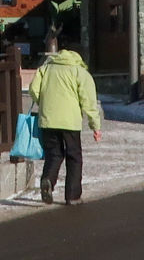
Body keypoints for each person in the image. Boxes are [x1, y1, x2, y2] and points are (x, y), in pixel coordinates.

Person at [29, 33, 102, 205]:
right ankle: (73, 196)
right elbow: (89, 102)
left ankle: (47, 179)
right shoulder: (79, 72)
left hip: (47, 120)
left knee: (54, 154)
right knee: (74, 156)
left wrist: (43, 103)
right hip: (70, 122)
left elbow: (33, 89)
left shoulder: (46, 68)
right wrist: (95, 127)